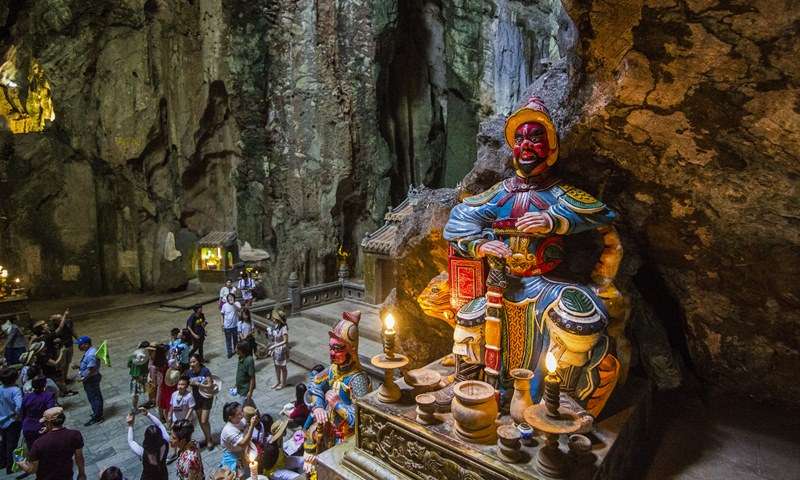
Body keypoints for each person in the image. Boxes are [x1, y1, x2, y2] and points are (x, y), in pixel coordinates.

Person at [442, 96, 623, 416]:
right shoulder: (500, 193)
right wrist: (482, 245)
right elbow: (458, 220)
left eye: (535, 137)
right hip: (503, 284)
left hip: (546, 285)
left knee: (579, 320)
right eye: (520, 138)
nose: (526, 145)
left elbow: (602, 214)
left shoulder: (560, 193)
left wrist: (553, 220)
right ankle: (470, 387)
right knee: (468, 320)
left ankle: (561, 400)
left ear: (551, 147)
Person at [303, 311, 372, 475]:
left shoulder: (357, 379)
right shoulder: (334, 369)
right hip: (329, 428)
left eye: (338, 348)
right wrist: (319, 407)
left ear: (351, 350)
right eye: (331, 347)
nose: (332, 353)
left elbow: (360, 418)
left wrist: (337, 404)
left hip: (347, 437)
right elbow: (315, 382)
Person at [17, 406, 87, 480]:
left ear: (48, 422)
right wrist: (81, 474)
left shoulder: (38, 443)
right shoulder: (74, 435)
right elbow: (79, 458)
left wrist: (22, 464)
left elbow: (32, 470)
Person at [126, 407, 169, 480]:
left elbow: (131, 441)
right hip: (163, 475)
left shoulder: (143, 452)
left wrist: (130, 425)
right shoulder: (166, 441)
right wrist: (148, 414)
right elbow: (160, 425)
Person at [219, 402, 259, 475]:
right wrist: (252, 426)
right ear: (230, 417)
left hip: (242, 450)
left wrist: (252, 423)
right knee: (238, 475)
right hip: (232, 455)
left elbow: (247, 430)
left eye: (242, 412)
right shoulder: (229, 430)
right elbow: (243, 444)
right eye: (239, 414)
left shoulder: (240, 420)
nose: (242, 415)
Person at [187, 355, 215, 450]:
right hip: (196, 398)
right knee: (200, 421)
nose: (192, 364)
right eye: (190, 362)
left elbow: (210, 385)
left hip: (206, 397)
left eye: (194, 362)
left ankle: (209, 439)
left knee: (204, 420)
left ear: (198, 362)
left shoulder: (205, 371)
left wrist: (198, 384)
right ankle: (207, 438)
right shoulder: (189, 372)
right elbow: (187, 383)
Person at [21, 375, 56, 450]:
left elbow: (23, 413)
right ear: (45, 384)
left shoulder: (26, 397)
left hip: (28, 427)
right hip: (42, 426)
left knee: (33, 451)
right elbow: (50, 412)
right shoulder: (48, 396)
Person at [76, 335, 104, 426]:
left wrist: (83, 378)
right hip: (91, 378)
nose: (79, 347)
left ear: (86, 344)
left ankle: (98, 416)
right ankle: (96, 412)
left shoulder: (91, 354)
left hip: (91, 379)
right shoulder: (90, 351)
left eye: (80, 345)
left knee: (94, 397)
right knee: (94, 396)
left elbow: (91, 369)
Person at [0, 367, 22, 475]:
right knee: (11, 444)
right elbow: (19, 406)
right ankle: (10, 466)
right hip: (12, 421)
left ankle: (2, 463)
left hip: (1, 420)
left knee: (3, 442)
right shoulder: (15, 390)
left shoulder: (0, 388)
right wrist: (18, 415)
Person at [51, 308, 77, 385]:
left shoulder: (68, 322)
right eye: (60, 318)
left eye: (62, 317)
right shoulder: (54, 328)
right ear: (56, 321)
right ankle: (62, 381)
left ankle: (65, 378)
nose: (63, 318)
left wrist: (78, 339)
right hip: (61, 347)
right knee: (62, 364)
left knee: (67, 363)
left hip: (69, 344)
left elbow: (72, 331)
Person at [267, 309, 289, 390]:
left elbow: (285, 341)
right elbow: (273, 338)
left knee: (282, 367)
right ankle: (278, 381)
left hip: (281, 349)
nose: (272, 319)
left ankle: (283, 383)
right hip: (276, 349)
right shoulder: (275, 327)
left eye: (274, 318)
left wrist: (274, 346)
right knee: (276, 366)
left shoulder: (284, 328)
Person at [128, 343, 150, 411]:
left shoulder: (133, 355)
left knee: (135, 393)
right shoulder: (145, 356)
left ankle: (135, 407)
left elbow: (129, 365)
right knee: (150, 388)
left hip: (134, 376)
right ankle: (150, 401)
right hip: (142, 376)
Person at [220, 294, 241, 359]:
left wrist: (233, 304)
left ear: (234, 298)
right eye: (229, 297)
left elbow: (239, 309)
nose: (230, 298)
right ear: (227, 299)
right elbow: (222, 315)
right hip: (227, 326)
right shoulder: (224, 305)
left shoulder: (237, 303)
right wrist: (222, 323)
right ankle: (229, 352)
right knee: (228, 340)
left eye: (231, 297)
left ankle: (236, 350)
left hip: (235, 325)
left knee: (235, 339)